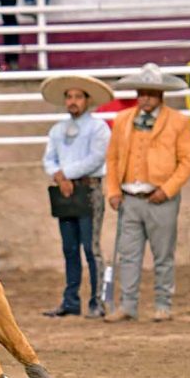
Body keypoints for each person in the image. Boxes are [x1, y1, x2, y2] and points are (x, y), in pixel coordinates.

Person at [103, 63, 190, 323]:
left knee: (162, 254)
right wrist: (112, 190)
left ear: (161, 95)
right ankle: (128, 305)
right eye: (141, 92)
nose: (144, 97)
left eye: (150, 93)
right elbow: (112, 158)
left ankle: (163, 304)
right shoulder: (122, 120)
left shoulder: (178, 121)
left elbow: (188, 160)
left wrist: (166, 190)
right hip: (130, 196)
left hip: (160, 198)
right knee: (128, 254)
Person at [40, 75, 113, 318]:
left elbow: (96, 158)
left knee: (91, 248)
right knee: (69, 248)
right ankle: (71, 300)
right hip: (66, 189)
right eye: (69, 97)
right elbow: (48, 158)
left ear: (87, 100)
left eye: (78, 97)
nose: (73, 101)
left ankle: (97, 300)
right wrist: (60, 177)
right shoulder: (57, 129)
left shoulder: (99, 127)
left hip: (89, 189)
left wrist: (63, 175)